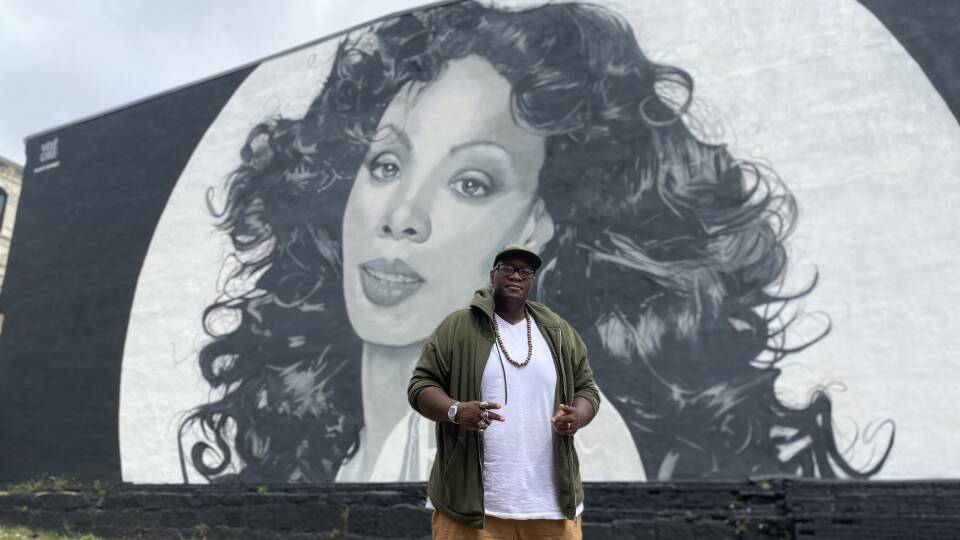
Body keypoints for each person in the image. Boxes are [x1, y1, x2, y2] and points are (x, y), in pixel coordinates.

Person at [179, 0, 892, 484]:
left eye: (471, 183)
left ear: (535, 228)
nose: (402, 215)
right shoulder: (344, 457)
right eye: (387, 164)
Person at [408, 244, 594, 537]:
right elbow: (421, 385)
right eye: (507, 268)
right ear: (492, 275)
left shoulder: (558, 332)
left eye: (525, 271)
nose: (516, 276)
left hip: (551, 507)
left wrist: (578, 417)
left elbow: (586, 387)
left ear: (532, 281)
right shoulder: (459, 327)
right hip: (472, 508)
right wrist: (456, 411)